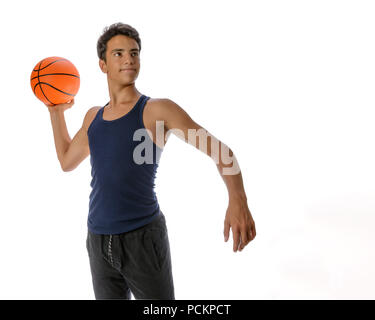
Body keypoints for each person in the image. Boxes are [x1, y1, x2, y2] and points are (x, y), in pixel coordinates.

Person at [46, 22, 256, 300]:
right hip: (97, 239)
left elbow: (221, 152)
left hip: (142, 239)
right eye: (118, 54)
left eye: (134, 53)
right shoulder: (93, 117)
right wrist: (56, 111)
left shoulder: (157, 111)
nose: (129, 59)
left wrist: (238, 199)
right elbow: (66, 161)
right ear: (103, 65)